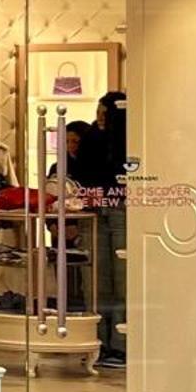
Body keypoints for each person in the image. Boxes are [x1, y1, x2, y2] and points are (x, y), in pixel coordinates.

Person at [76, 92, 129, 368]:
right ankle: (100, 341)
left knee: (122, 280)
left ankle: (120, 344)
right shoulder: (92, 138)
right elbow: (81, 174)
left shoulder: (127, 138)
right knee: (97, 280)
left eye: (105, 112)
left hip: (121, 209)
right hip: (96, 211)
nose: (100, 117)